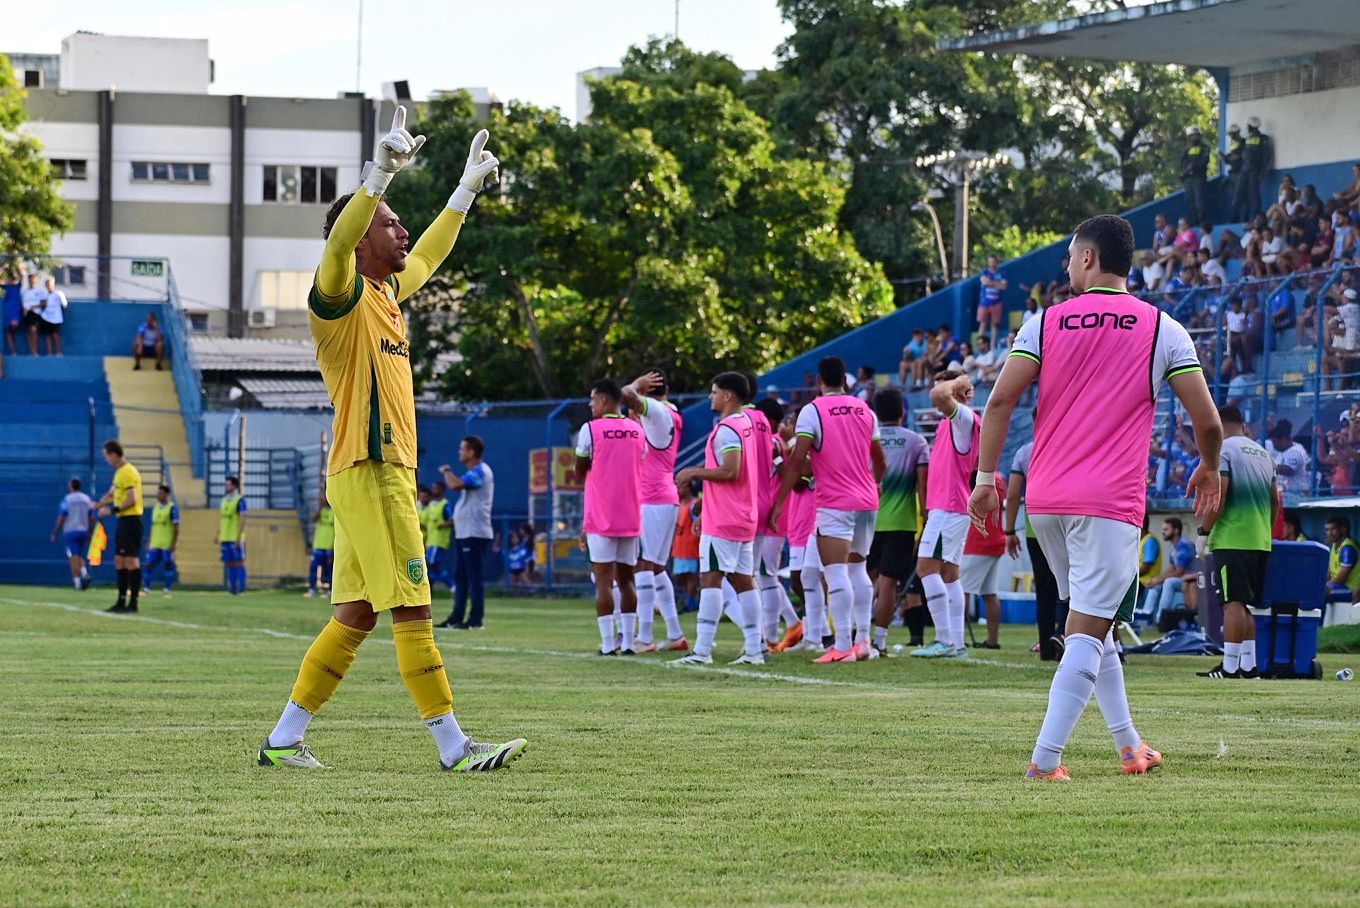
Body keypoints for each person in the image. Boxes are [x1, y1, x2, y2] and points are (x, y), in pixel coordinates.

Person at [258, 109, 525, 773]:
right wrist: (376, 176)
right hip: (372, 467)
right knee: (413, 604)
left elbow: (431, 252)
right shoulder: (339, 290)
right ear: (358, 240)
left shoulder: (387, 291)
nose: (400, 227)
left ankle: (284, 739)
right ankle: (454, 748)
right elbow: (337, 243)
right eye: (388, 221)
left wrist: (464, 193)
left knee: (356, 612)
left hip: (371, 471)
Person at [968, 213, 1222, 780]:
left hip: (1047, 502)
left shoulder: (1045, 322)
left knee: (1095, 623)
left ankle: (1131, 745)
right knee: (1086, 628)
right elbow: (1206, 420)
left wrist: (986, 481)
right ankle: (1044, 761)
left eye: (1069, 255)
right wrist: (1208, 467)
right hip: (1108, 503)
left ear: (1088, 258)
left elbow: (1001, 403)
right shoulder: (1163, 328)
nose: (1066, 266)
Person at [771, 355, 886, 663]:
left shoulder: (813, 410)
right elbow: (880, 459)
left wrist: (779, 503)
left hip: (835, 502)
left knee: (835, 575)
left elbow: (798, 461)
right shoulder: (864, 409)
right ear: (846, 381)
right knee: (858, 569)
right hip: (867, 501)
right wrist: (874, 483)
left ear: (819, 381)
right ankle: (863, 641)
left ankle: (842, 645)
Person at [673, 372, 764, 666]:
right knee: (743, 582)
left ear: (728, 396)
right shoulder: (746, 424)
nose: (710, 397)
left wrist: (692, 472)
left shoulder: (727, 429)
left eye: (714, 392)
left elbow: (730, 471)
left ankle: (702, 651)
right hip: (742, 515)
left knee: (710, 579)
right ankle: (753, 650)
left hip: (725, 519)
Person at [1196, 405, 1275, 679]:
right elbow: (1275, 500)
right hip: (1261, 540)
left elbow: (1221, 494)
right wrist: (1265, 528)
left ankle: (1229, 667)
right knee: (1245, 606)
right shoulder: (1264, 454)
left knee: (1232, 604)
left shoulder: (1225, 451)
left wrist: (1204, 532)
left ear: (1219, 422)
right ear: (1242, 424)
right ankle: (1249, 666)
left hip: (1232, 538)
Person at [909, 370, 978, 659]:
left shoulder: (963, 418)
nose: (937, 396)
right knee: (949, 575)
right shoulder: (954, 421)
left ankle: (944, 640)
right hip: (951, 506)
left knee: (926, 568)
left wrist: (957, 381)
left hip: (949, 507)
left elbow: (940, 395)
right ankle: (957, 644)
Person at [574, 379, 646, 655]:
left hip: (601, 516)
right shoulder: (637, 429)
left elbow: (580, 470)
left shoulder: (591, 429)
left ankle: (607, 644)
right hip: (631, 515)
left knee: (603, 581)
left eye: (592, 400)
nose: (591, 405)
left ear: (603, 401)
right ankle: (628, 643)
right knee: (627, 580)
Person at [619, 370, 688, 653]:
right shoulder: (668, 413)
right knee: (657, 569)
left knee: (643, 565)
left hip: (653, 497)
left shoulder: (658, 412)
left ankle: (645, 639)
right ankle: (675, 634)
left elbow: (625, 394)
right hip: (662, 496)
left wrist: (635, 385)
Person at [866, 387, 929, 656]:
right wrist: (926, 520)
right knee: (890, 582)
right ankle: (879, 641)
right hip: (901, 523)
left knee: (863, 579)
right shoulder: (917, 442)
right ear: (903, 411)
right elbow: (923, 489)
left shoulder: (867, 439)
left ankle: (856, 635)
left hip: (866, 518)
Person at [1005, 441, 1067, 661]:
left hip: (1036, 528)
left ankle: (1046, 648)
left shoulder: (1024, 452)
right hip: (1068, 525)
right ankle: (1063, 636)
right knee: (1071, 586)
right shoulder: (1071, 441)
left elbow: (1013, 494)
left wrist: (1009, 530)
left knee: (1045, 590)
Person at [437, 436, 495, 630]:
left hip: (475, 532)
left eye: (462, 449)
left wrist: (447, 471)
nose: (459, 452)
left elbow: (455, 485)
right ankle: (456, 618)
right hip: (466, 531)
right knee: (461, 576)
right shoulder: (473, 472)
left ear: (471, 452)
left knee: (474, 577)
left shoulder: (481, 471)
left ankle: (475, 620)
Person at [96, 440, 146, 614]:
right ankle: (121, 601)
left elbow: (132, 499)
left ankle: (133, 603)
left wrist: (111, 510)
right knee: (119, 560)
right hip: (124, 521)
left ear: (114, 454)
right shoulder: (119, 473)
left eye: (107, 456)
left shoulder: (128, 471)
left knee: (131, 560)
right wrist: (99, 503)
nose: (107, 460)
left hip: (131, 520)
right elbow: (113, 493)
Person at [962, 473, 1007, 649]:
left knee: (961, 590)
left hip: (978, 541)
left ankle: (954, 638)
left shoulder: (979, 477)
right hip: (995, 539)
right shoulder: (999, 478)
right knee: (990, 594)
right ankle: (992, 640)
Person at [1138, 518, 1196, 625]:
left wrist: (1158, 580)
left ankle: (1161, 619)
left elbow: (1179, 571)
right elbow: (1171, 568)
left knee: (1169, 582)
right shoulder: (1172, 545)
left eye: (1166, 529)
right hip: (1181, 578)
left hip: (1192, 578)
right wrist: (1156, 580)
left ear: (1176, 530)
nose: (1163, 532)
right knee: (1156, 585)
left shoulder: (1184, 544)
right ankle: (1145, 617)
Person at [51, 477, 95, 591]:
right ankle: (84, 572)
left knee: (72, 557)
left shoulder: (68, 499)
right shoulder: (86, 499)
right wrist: (90, 532)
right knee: (78, 555)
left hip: (71, 531)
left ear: (71, 486)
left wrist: (55, 531)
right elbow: (91, 517)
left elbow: (62, 516)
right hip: (84, 531)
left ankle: (78, 582)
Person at [142, 484, 179, 598]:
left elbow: (176, 528)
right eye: (158, 493)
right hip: (155, 543)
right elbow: (153, 526)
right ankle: (146, 589)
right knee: (148, 564)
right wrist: (149, 541)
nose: (158, 495)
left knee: (168, 565)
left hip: (166, 543)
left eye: (160, 493)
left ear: (167, 494)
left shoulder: (172, 508)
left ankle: (167, 590)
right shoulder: (156, 507)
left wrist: (173, 544)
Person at [422, 480, 456, 598]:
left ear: (442, 490)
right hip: (430, 541)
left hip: (439, 541)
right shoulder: (431, 505)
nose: (433, 490)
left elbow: (452, 521)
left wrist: (442, 525)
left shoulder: (445, 505)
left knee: (428, 564)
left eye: (436, 488)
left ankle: (425, 591)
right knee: (434, 567)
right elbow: (426, 523)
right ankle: (452, 587)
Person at [215, 475, 248, 595]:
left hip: (235, 538)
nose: (226, 486)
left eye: (228, 484)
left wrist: (239, 537)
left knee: (238, 562)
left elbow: (243, 519)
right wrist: (218, 534)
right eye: (226, 484)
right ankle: (232, 590)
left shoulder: (240, 501)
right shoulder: (224, 500)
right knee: (229, 563)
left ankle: (242, 590)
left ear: (234, 486)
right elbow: (222, 519)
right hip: (225, 537)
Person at [671, 483, 700, 613]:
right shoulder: (678, 505)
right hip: (679, 547)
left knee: (691, 576)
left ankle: (691, 602)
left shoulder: (694, 505)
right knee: (680, 577)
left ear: (688, 489)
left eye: (681, 487)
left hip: (690, 547)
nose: (678, 490)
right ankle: (684, 599)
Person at [1267, 419, 1310, 496]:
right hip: (1287, 496)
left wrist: (1266, 466)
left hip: (1298, 498)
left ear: (1283, 439)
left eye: (1275, 442)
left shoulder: (1295, 451)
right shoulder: (1282, 450)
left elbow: (1288, 470)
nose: (1274, 445)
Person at [305, 492, 335, 599]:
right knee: (313, 567)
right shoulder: (321, 511)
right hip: (318, 545)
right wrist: (320, 506)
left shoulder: (335, 511)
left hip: (330, 545)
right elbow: (313, 519)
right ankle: (311, 589)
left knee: (330, 569)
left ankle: (331, 591)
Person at [1325, 516, 1360, 603]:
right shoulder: (1334, 546)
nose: (1329, 533)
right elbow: (1328, 574)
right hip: (1338, 586)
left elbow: (1340, 579)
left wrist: (1325, 586)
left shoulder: (1347, 548)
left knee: (1322, 591)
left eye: (1333, 529)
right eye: (1327, 530)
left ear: (1343, 530)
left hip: (1352, 590)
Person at [1242, 117, 1271, 219]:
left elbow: (1266, 156)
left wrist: (1263, 171)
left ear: (1251, 126)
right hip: (1245, 169)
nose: (1247, 127)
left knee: (1254, 192)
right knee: (1244, 193)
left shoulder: (1263, 138)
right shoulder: (1247, 139)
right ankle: (1246, 216)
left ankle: (1256, 215)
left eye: (1248, 126)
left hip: (1255, 169)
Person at [1181, 126, 1209, 225]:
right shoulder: (1187, 148)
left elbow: (1204, 161)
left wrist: (1194, 165)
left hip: (1199, 177)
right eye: (1192, 136)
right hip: (1189, 178)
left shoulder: (1204, 147)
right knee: (1190, 201)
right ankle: (1195, 222)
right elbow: (1182, 161)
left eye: (1196, 135)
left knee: (1199, 201)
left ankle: (1202, 223)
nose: (1194, 138)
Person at [978, 254, 1006, 346]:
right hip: (984, 302)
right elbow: (984, 282)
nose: (992, 264)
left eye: (993, 262)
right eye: (990, 262)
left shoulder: (1001, 273)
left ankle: (992, 346)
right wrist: (997, 283)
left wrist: (991, 282)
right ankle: (980, 345)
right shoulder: (984, 272)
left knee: (995, 324)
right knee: (983, 324)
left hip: (997, 303)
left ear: (996, 262)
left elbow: (1004, 286)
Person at [1221, 124, 1247, 221]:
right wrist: (1225, 157)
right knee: (1233, 197)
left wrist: (1236, 157)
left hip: (1241, 173)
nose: (1231, 136)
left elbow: (1242, 157)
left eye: (1232, 134)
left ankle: (1241, 219)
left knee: (1240, 197)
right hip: (1233, 173)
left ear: (1237, 133)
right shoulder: (1233, 144)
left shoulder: (1244, 143)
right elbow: (1230, 158)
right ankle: (1235, 218)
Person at [37, 276, 66, 355]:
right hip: (46, 317)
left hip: (56, 318)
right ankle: (49, 352)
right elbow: (41, 304)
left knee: (55, 334)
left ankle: (59, 352)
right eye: (48, 285)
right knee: (47, 335)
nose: (49, 286)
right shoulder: (44, 294)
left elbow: (64, 305)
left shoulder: (59, 294)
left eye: (50, 284)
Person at [20, 272, 44, 356]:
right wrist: (24, 309)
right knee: (29, 331)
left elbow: (43, 303)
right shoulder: (25, 292)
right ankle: (32, 351)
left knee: (34, 330)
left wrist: (32, 307)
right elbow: (22, 303)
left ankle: (36, 351)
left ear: (36, 280)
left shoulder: (40, 291)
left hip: (35, 313)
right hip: (26, 314)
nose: (32, 281)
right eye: (30, 279)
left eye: (33, 279)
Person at [2, 262, 22, 355]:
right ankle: (13, 351)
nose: (12, 280)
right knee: (9, 333)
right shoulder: (7, 286)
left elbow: (22, 276)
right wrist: (2, 267)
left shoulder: (18, 286)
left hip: (16, 313)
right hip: (8, 313)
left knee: (14, 327)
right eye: (11, 278)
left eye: (14, 278)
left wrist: (18, 266)